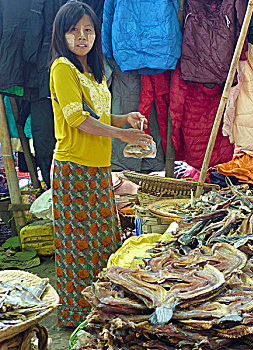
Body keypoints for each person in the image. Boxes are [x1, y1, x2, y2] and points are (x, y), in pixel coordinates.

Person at [49, 1, 153, 327]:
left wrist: (125, 118)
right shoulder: (62, 69)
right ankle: (78, 317)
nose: (82, 37)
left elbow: (97, 116)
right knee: (78, 249)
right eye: (73, 30)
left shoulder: (92, 73)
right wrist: (123, 135)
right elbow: (77, 120)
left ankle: (102, 311)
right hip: (74, 171)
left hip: (98, 170)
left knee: (103, 242)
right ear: (61, 34)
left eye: (88, 30)